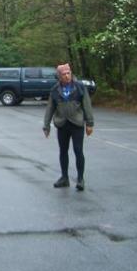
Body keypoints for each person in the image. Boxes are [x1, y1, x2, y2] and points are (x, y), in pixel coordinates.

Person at [43, 63, 94, 191]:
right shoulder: (55, 90)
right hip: (62, 124)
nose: (67, 76)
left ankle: (80, 179)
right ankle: (64, 178)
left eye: (68, 73)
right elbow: (50, 108)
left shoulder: (80, 87)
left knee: (78, 151)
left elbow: (87, 105)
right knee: (63, 151)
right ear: (59, 76)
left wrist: (90, 123)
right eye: (64, 74)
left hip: (77, 124)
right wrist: (46, 126)